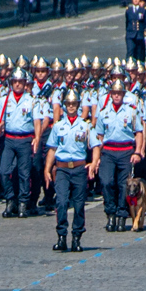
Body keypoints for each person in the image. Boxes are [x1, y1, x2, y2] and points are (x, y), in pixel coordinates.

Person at [44, 88, 99, 252]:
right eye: (68, 104)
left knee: (79, 204)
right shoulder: (58, 126)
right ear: (64, 106)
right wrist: (47, 169)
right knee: (61, 202)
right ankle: (61, 236)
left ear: (78, 105)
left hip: (79, 168)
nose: (71, 107)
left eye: (74, 104)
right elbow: (52, 149)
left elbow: (96, 146)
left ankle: (76, 237)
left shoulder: (85, 126)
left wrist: (94, 162)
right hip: (62, 169)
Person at [95, 80, 142, 233]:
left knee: (124, 186)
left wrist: (137, 152)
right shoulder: (104, 112)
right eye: (114, 93)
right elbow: (100, 136)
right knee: (106, 181)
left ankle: (122, 216)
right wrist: (97, 157)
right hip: (108, 151)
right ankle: (110, 214)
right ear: (110, 94)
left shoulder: (131, 111)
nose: (116, 96)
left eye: (119, 93)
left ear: (123, 94)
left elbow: (138, 132)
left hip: (126, 151)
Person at [0, 66, 39, 219]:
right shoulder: (4, 100)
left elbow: (37, 122)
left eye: (21, 82)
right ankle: (10, 199)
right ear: (11, 83)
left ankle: (23, 203)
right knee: (4, 171)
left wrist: (37, 138)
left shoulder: (31, 101)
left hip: (25, 140)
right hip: (9, 139)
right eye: (15, 82)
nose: (18, 85)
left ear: (25, 83)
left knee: (24, 174)